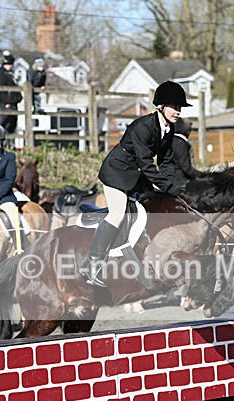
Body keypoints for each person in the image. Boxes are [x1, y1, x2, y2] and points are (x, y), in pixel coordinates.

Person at [81, 80, 191, 287]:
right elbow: (146, 163)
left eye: (179, 108)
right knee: (117, 213)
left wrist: (174, 188)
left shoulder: (169, 128)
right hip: (116, 173)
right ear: (161, 106)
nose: (178, 111)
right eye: (174, 107)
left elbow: (166, 161)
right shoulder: (143, 127)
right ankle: (92, 264)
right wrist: (169, 187)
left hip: (136, 175)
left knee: (157, 205)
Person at [0, 51, 22, 144]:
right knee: (5, 123)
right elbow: (2, 90)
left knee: (12, 124)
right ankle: (4, 144)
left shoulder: (10, 74)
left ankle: (10, 144)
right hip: (7, 102)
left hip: (13, 102)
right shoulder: (1, 74)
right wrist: (6, 102)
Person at [172, 117, 202, 181]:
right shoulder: (181, 143)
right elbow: (187, 169)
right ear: (188, 131)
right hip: (180, 181)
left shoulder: (169, 140)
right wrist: (203, 175)